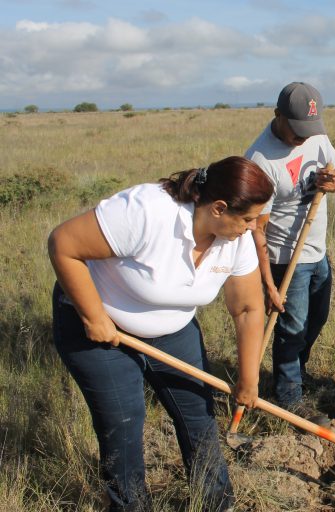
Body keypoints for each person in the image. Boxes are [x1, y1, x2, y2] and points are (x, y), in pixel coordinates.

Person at [49, 156, 274, 511]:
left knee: (197, 414)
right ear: (218, 208)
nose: (253, 228)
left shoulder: (237, 241)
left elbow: (248, 309)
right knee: (123, 422)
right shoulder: (146, 212)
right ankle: (130, 506)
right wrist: (93, 317)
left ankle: (216, 503)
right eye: (248, 219)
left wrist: (248, 380)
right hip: (98, 323)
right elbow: (63, 244)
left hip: (172, 327)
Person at [245, 82, 335, 425]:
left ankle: (296, 373)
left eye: (309, 130)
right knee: (292, 329)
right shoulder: (260, 161)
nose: (304, 138)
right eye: (297, 130)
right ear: (278, 116)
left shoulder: (315, 133)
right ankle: (288, 397)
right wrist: (267, 285)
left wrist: (334, 182)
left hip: (318, 250)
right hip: (285, 258)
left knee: (317, 319)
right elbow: (256, 229)